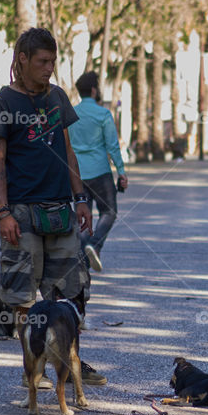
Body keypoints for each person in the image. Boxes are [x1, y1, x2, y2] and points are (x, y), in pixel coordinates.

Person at [0, 27, 105, 387]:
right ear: (22, 59)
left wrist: (81, 199)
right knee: (23, 299)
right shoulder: (3, 104)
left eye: (53, 60)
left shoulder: (57, 98)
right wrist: (4, 212)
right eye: (42, 61)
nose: (49, 67)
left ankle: (71, 364)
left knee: (71, 295)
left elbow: (69, 152)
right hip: (21, 214)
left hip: (62, 211)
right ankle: (32, 370)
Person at [70, 71, 129, 273]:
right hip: (100, 172)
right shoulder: (103, 114)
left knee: (82, 215)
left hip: (77, 174)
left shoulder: (71, 113)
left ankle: (83, 257)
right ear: (94, 90)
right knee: (109, 212)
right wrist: (121, 171)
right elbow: (112, 146)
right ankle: (94, 245)